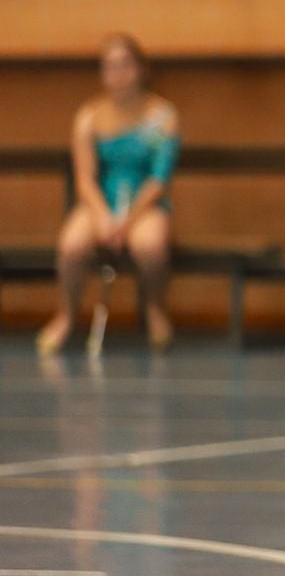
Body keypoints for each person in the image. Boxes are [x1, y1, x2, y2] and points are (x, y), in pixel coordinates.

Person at [38, 33, 180, 354]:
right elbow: (85, 178)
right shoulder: (88, 117)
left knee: (151, 246)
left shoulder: (163, 117)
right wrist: (104, 217)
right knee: (71, 245)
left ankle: (156, 310)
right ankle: (66, 315)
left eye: (125, 65)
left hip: (146, 202)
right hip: (101, 200)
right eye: (110, 67)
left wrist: (127, 222)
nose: (118, 74)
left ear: (142, 69)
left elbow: (159, 179)